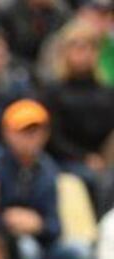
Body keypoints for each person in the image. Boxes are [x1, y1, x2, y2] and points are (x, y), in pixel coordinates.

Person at [0, 98, 87, 259]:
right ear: (7, 132)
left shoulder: (49, 170)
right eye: (23, 131)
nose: (31, 137)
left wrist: (39, 225)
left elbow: (55, 226)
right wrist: (6, 220)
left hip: (43, 244)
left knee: (80, 251)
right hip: (4, 245)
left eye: (36, 131)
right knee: (24, 247)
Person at [41, 19, 114, 211]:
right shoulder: (53, 91)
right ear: (65, 52)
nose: (84, 54)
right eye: (78, 47)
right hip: (66, 160)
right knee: (98, 181)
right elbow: (53, 138)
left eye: (90, 48)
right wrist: (84, 157)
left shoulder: (106, 91)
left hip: (103, 158)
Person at [0, 0, 71, 69]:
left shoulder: (60, 15)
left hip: (50, 68)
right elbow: (1, 49)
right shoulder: (4, 13)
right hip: (16, 68)